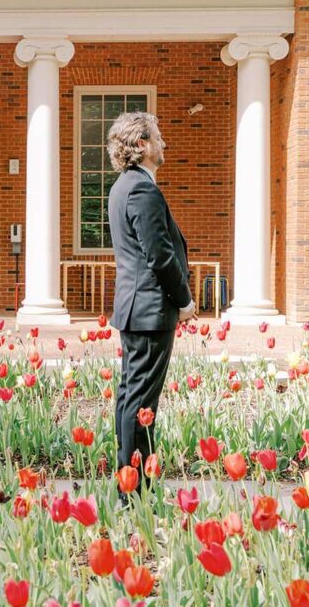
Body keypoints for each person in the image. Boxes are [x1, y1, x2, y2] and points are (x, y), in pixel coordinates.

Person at [106, 112, 195, 503]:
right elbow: (159, 256)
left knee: (131, 398)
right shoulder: (142, 190)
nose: (165, 144)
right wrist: (186, 300)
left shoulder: (123, 187)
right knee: (142, 403)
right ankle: (135, 494)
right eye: (158, 137)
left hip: (136, 309)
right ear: (140, 144)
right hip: (150, 310)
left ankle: (131, 485)